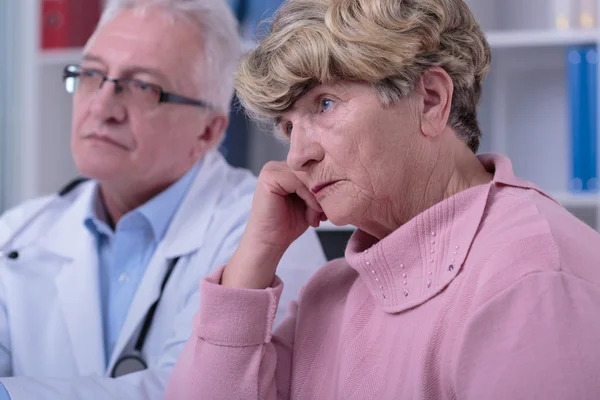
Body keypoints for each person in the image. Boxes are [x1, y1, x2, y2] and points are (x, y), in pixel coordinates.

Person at [164, 0, 600, 398]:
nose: (297, 156)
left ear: (430, 100)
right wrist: (254, 257)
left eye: (326, 104)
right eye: (288, 128)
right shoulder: (329, 294)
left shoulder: (532, 276)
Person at [0, 0, 326, 399]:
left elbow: (205, 390)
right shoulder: (17, 235)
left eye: (143, 87)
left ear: (208, 132)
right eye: (91, 75)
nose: (101, 107)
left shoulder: (268, 232)